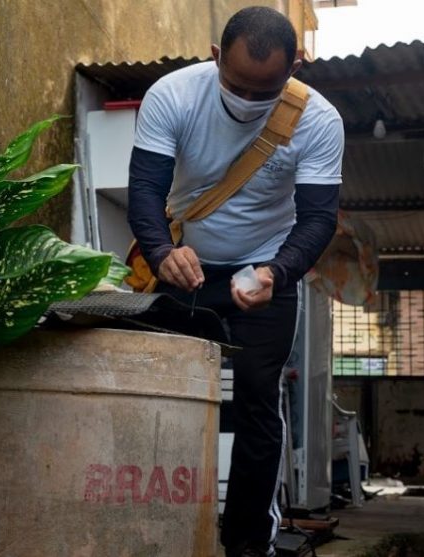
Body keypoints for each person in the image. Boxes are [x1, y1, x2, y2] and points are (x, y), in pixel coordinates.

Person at [127, 6, 344, 557]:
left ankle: (248, 543)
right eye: (238, 86)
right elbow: (146, 192)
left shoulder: (318, 120)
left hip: (263, 269)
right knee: (162, 392)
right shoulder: (173, 96)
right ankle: (162, 530)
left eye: (265, 91)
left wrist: (278, 271)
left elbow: (318, 217)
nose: (249, 103)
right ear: (216, 57)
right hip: (187, 264)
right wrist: (161, 252)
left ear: (295, 67)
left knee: (255, 397)